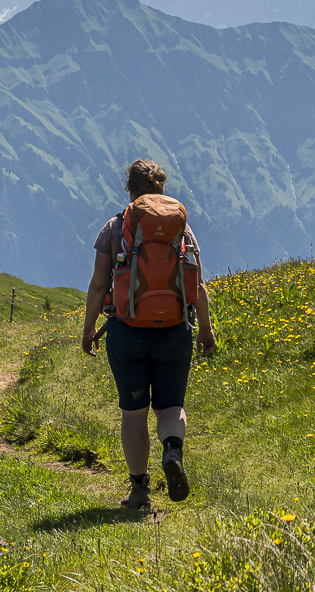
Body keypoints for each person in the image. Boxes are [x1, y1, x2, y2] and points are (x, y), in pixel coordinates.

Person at [82, 159, 216, 509]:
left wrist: (88, 328)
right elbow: (197, 284)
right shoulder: (182, 230)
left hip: (127, 332)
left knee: (134, 413)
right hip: (173, 332)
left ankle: (140, 489)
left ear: (130, 190)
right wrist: (205, 329)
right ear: (161, 190)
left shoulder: (115, 226)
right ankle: (172, 450)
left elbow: (99, 285)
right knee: (171, 407)